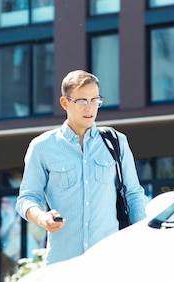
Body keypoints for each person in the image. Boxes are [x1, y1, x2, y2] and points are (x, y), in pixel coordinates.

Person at [16, 70, 148, 264]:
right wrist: (42, 218)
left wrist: (142, 240)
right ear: (65, 103)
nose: (90, 108)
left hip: (109, 260)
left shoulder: (116, 142)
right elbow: (27, 198)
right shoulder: (42, 147)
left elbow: (134, 194)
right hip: (62, 263)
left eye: (95, 100)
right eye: (82, 101)